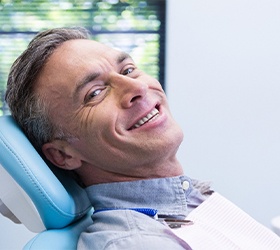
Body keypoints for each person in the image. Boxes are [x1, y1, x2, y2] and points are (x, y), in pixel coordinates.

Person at [5, 27, 280, 249]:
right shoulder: (135, 242)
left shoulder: (184, 200)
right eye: (95, 93)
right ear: (63, 155)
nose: (137, 87)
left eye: (127, 70)